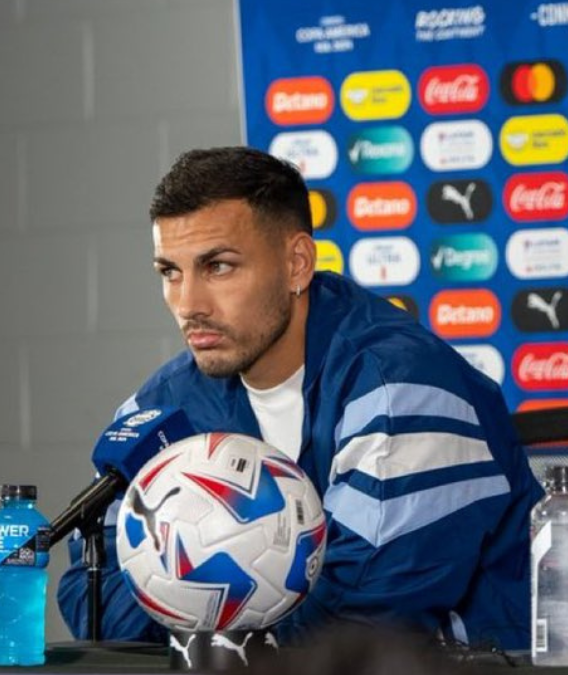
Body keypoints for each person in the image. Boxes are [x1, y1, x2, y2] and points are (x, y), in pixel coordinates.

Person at [57, 147, 540, 649]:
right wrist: (215, 639)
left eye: (218, 266)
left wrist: (199, 625)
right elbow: (93, 590)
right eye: (169, 272)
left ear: (297, 264)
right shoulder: (163, 407)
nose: (188, 304)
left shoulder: (403, 389)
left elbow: (363, 614)